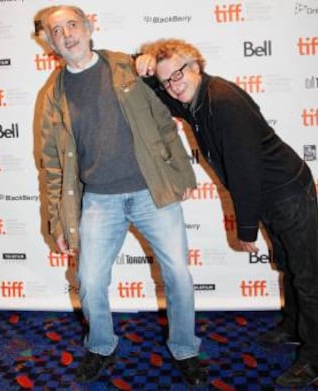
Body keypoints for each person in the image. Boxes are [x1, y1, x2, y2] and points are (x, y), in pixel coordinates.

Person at [136, 39, 318, 388]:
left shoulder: (223, 102)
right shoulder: (193, 99)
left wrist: (245, 229)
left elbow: (245, 171)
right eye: (167, 80)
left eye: (178, 74)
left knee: (308, 275)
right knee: (289, 265)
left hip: (287, 190)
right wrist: (146, 62)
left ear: (196, 66)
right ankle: (293, 326)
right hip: (270, 193)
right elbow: (159, 93)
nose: (173, 85)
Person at [34, 8, 208, 388]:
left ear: (89, 27)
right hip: (98, 200)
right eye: (56, 30)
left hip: (151, 190)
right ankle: (101, 345)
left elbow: (164, 120)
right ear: (49, 42)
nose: (66, 34)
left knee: (178, 274)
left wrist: (182, 172)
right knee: (90, 279)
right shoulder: (53, 95)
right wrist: (57, 218)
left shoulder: (127, 67)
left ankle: (185, 348)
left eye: (72, 25)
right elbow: (51, 165)